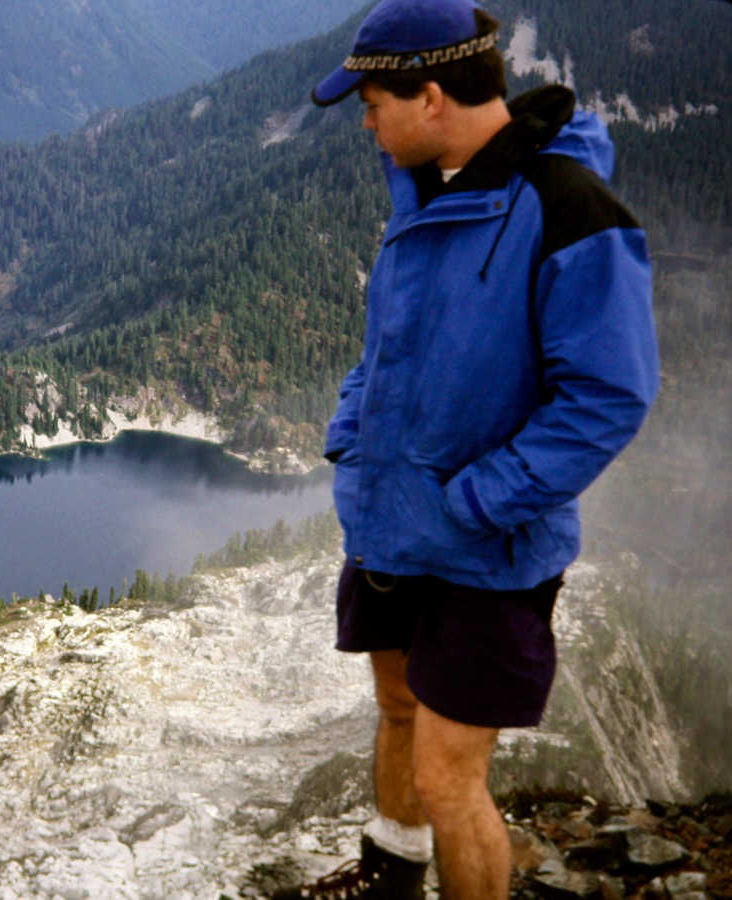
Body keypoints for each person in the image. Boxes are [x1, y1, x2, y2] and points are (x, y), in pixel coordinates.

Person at [280, 0, 660, 897]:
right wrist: (353, 440)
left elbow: (609, 396)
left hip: (486, 552)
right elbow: (388, 352)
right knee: (397, 711)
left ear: (434, 96)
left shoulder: (571, 211)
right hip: (391, 528)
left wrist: (480, 501)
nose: (365, 121)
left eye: (373, 102)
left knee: (452, 781)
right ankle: (392, 875)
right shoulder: (430, 190)